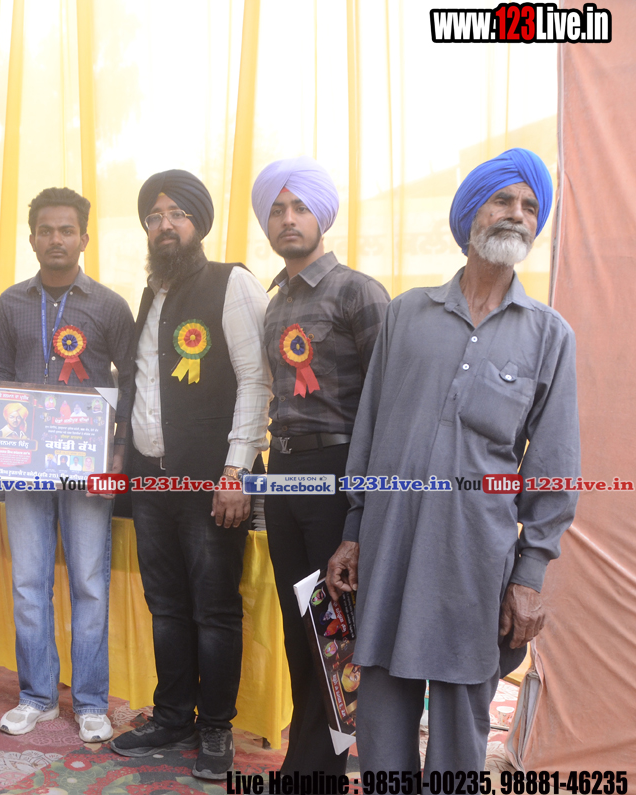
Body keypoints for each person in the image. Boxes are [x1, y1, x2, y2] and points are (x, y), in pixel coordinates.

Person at [326, 148, 579, 773]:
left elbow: (553, 467)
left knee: (462, 720)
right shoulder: (407, 314)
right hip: (389, 544)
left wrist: (529, 576)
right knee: (381, 705)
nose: (516, 215)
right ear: (470, 216)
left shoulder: (549, 335)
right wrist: (354, 532)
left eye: (530, 206)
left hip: (473, 557)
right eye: (503, 200)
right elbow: (371, 427)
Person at [111, 170, 271, 780]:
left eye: (177, 214)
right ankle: (172, 715)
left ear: (198, 223)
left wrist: (235, 472)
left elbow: (256, 381)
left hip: (211, 483)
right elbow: (141, 387)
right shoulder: (150, 294)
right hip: (151, 485)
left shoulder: (232, 283)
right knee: (166, 606)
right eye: (154, 217)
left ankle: (216, 727)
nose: (165, 225)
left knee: (214, 609)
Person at [252, 157, 390, 776]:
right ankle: (307, 765)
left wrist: (365, 500)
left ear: (322, 217)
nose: (288, 219)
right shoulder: (273, 303)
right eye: (278, 209)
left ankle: (316, 773)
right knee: (296, 623)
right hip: (283, 473)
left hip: (337, 470)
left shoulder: (360, 292)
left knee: (331, 628)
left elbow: (388, 402)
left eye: (300, 207)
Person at [0, 187, 135, 743]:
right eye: (46, 230)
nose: (56, 239)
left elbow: (133, 382)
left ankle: (92, 702)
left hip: (89, 469)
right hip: (26, 467)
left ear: (84, 238)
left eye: (66, 230)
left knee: (89, 585)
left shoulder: (110, 306)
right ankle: (37, 697)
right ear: (32, 239)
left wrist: (119, 454)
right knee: (29, 583)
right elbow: (4, 379)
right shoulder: (12, 303)